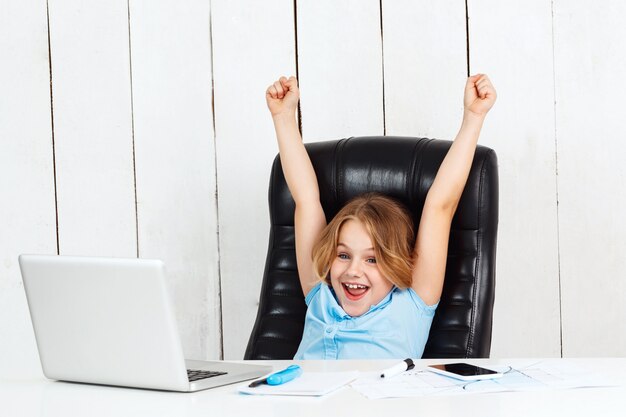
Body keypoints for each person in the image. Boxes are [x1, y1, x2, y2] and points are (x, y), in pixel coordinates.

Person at [265, 74, 497, 359]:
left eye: (372, 259)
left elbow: (441, 205)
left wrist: (473, 117)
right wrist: (283, 117)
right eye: (343, 255)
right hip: (298, 399)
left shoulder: (412, 303)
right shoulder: (320, 293)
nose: (353, 271)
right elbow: (305, 199)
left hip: (375, 403)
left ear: (399, 263)